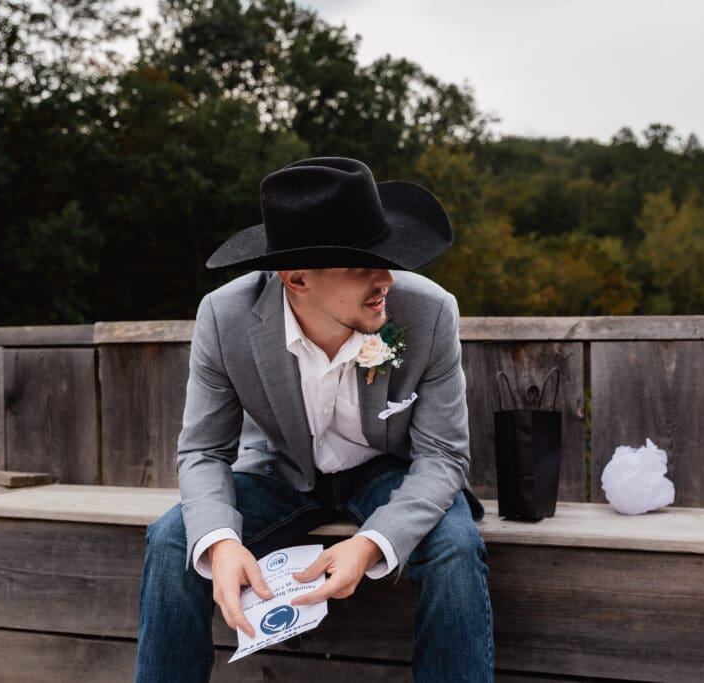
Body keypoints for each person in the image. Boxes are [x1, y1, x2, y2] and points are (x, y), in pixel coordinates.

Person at [135, 157, 494, 682]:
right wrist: (222, 542)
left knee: (456, 548)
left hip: (388, 470)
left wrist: (371, 543)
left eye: (386, 260)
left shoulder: (429, 312)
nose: (386, 279)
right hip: (281, 472)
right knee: (173, 540)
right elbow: (203, 450)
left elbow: (443, 455)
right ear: (297, 277)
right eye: (361, 266)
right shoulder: (225, 316)